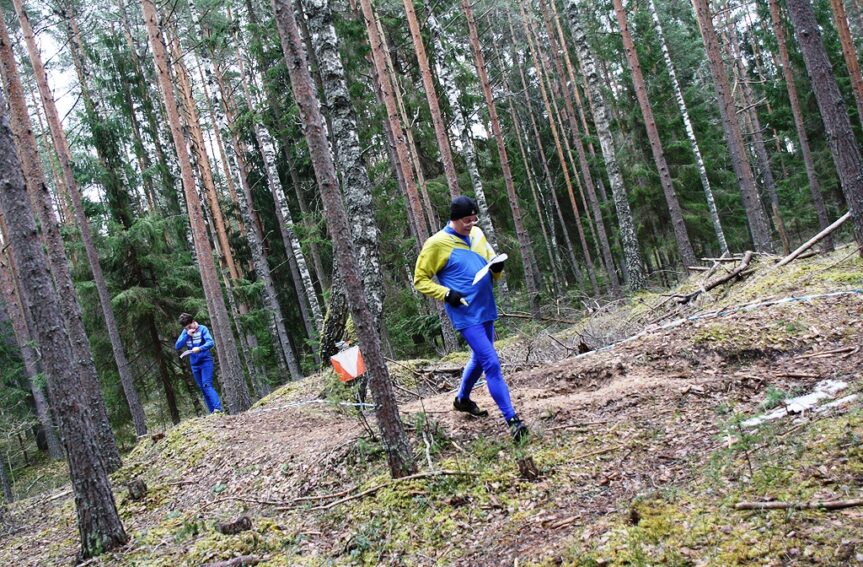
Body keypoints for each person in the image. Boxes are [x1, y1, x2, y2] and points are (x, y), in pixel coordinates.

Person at [414, 196, 528, 442]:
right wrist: (446, 294)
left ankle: (462, 399)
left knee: (479, 357)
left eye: (474, 219)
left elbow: (491, 263)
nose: (472, 224)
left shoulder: (477, 235)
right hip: (466, 312)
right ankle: (513, 420)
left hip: (486, 307)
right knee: (491, 362)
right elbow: (420, 280)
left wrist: (497, 270)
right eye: (467, 220)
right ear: (455, 219)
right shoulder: (437, 244)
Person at [175, 313, 222, 414]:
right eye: (186, 328)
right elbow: (177, 346)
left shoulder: (203, 329)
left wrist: (200, 348)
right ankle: (212, 413)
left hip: (205, 362)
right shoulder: (185, 332)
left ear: (193, 322)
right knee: (203, 389)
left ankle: (218, 409)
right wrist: (187, 335)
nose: (188, 329)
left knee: (207, 385)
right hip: (194, 365)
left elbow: (211, 342)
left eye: (189, 327)